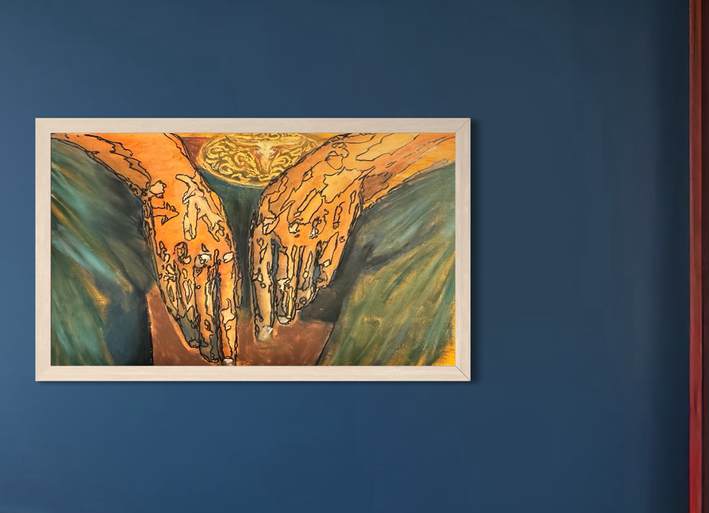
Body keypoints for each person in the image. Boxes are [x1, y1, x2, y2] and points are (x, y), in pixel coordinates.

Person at [50, 129, 455, 368]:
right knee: (55, 200)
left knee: (449, 218)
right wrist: (163, 174)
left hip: (380, 184)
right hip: (152, 176)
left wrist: (348, 161)